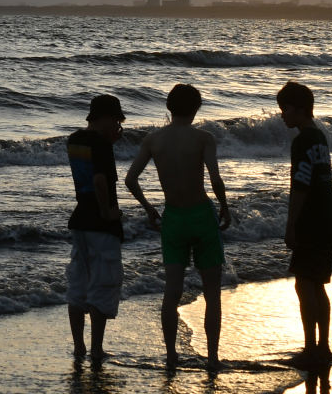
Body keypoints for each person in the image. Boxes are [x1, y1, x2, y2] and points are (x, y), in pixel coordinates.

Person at [125, 83, 230, 371]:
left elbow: (131, 180)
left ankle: (171, 355)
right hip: (201, 215)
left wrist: (149, 209)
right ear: (196, 109)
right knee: (212, 293)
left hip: (173, 217)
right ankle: (212, 358)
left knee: (171, 292)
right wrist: (224, 206)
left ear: (169, 108)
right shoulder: (204, 138)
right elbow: (215, 178)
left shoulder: (153, 140)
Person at [277, 80, 332, 367]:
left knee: (304, 284)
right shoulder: (319, 136)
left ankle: (310, 349)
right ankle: (323, 346)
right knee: (318, 284)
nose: (282, 115)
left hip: (311, 219)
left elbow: (300, 185)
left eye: (286, 109)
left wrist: (291, 225)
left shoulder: (301, 141)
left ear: (300, 109)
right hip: (328, 216)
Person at [66, 93, 126, 365]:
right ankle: (97, 349)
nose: (118, 125)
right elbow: (100, 180)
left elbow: (88, 171)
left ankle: (79, 346)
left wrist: (107, 142)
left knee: (79, 283)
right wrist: (107, 212)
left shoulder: (74, 140)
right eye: (116, 120)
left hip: (80, 219)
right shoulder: (102, 145)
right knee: (102, 283)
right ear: (104, 118)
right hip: (101, 223)